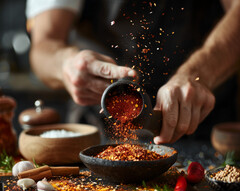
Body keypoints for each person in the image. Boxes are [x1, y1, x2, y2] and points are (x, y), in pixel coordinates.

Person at [25, 0, 240, 144]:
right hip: (99, 125)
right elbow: (45, 45)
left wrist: (198, 73)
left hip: (200, 121)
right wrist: (66, 64)